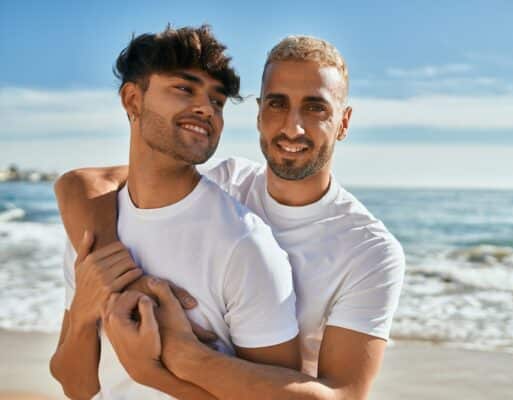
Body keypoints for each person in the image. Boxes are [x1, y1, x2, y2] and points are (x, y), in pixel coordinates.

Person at [55, 34, 405, 399]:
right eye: (277, 103)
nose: (292, 127)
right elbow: (83, 182)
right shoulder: (223, 179)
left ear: (344, 122)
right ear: (258, 113)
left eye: (316, 108)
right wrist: (114, 272)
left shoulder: (370, 250)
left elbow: (345, 395)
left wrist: (174, 360)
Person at [49, 25, 300, 400]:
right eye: (184, 89)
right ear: (133, 100)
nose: (205, 108)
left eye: (217, 100)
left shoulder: (242, 243)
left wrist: (152, 370)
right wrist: (86, 313)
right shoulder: (97, 230)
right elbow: (76, 386)